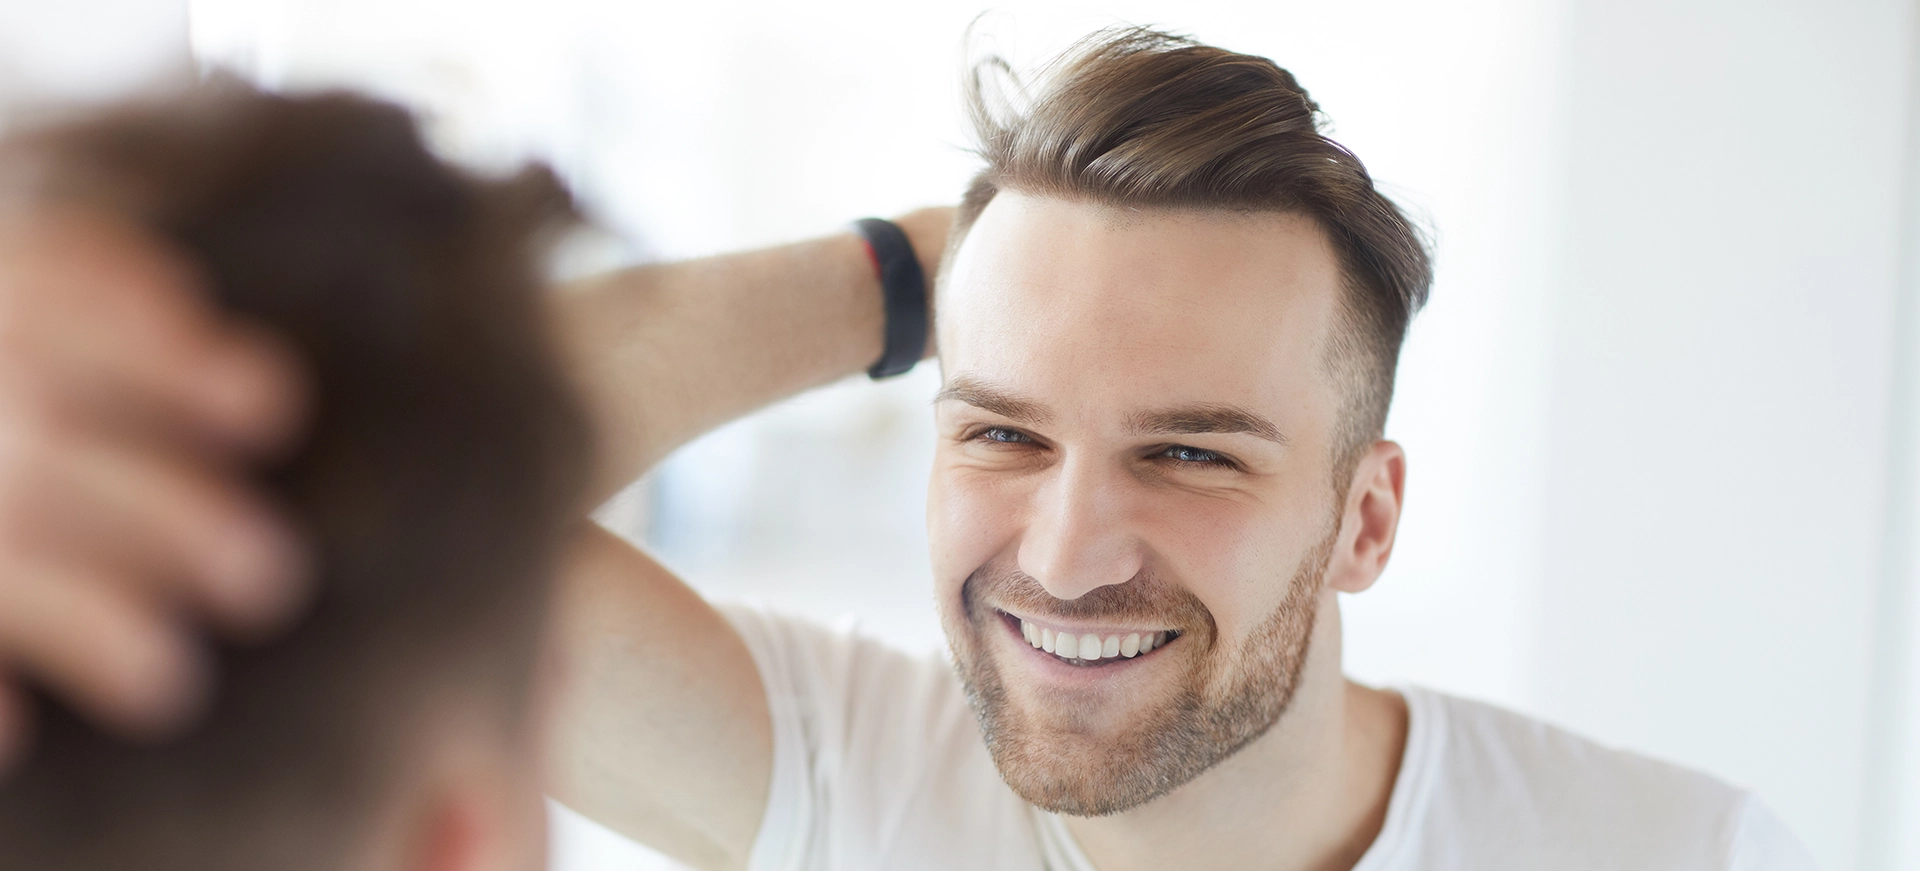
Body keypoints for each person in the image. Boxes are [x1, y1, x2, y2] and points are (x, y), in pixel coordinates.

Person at [0, 27, 1817, 871]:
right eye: (1002, 429)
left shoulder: (1681, 853)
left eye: (1192, 451)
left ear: (1366, 516)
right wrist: (917, 275)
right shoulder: (835, 777)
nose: (1069, 544)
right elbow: (409, 461)